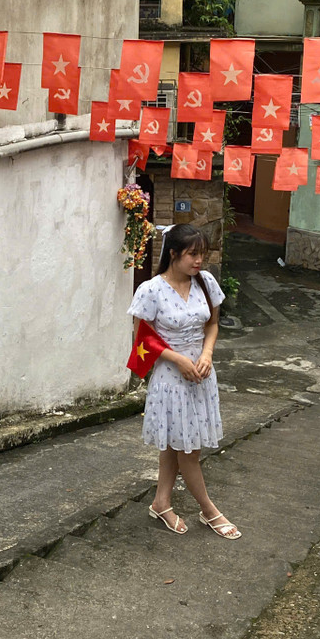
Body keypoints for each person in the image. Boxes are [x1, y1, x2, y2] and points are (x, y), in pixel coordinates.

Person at [128, 224, 242, 540]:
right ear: (174, 253)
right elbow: (144, 338)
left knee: (175, 444)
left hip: (201, 376)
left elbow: (214, 324)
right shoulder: (151, 290)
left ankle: (161, 503)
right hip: (170, 380)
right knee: (187, 449)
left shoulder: (205, 282)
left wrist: (207, 353)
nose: (199, 261)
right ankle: (210, 511)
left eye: (202, 254)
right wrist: (178, 360)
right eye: (193, 254)